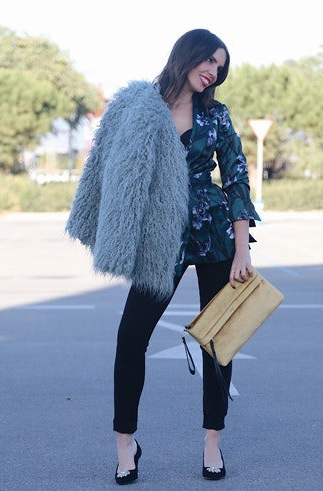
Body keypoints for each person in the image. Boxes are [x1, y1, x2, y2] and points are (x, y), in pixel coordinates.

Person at [65, 28, 260, 484]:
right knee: (131, 337)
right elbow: (110, 165)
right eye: (208, 61)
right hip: (161, 235)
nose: (213, 72)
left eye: (220, 66)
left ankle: (213, 441)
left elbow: (235, 176)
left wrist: (241, 248)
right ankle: (125, 443)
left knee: (219, 338)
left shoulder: (217, 114)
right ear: (186, 56)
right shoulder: (141, 106)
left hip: (212, 232)